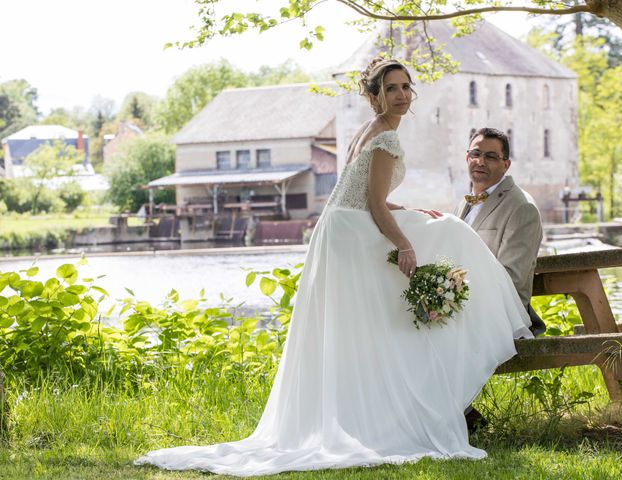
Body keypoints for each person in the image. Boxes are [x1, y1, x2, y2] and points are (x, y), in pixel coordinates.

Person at [135, 58, 533, 476]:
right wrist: (405, 245)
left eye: (405, 87)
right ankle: (486, 330)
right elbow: (374, 204)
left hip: (340, 226)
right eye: (392, 88)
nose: (401, 95)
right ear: (375, 94)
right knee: (448, 231)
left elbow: (361, 194)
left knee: (367, 318)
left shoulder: (368, 130)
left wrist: (410, 211)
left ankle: (390, 394)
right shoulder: (386, 139)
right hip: (351, 232)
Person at [453, 128, 546, 337]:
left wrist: (455, 302)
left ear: (506, 165)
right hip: (458, 310)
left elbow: (511, 279)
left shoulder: (522, 208)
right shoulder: (463, 205)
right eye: (475, 154)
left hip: (500, 318)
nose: (481, 162)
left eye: (491, 157)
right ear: (467, 157)